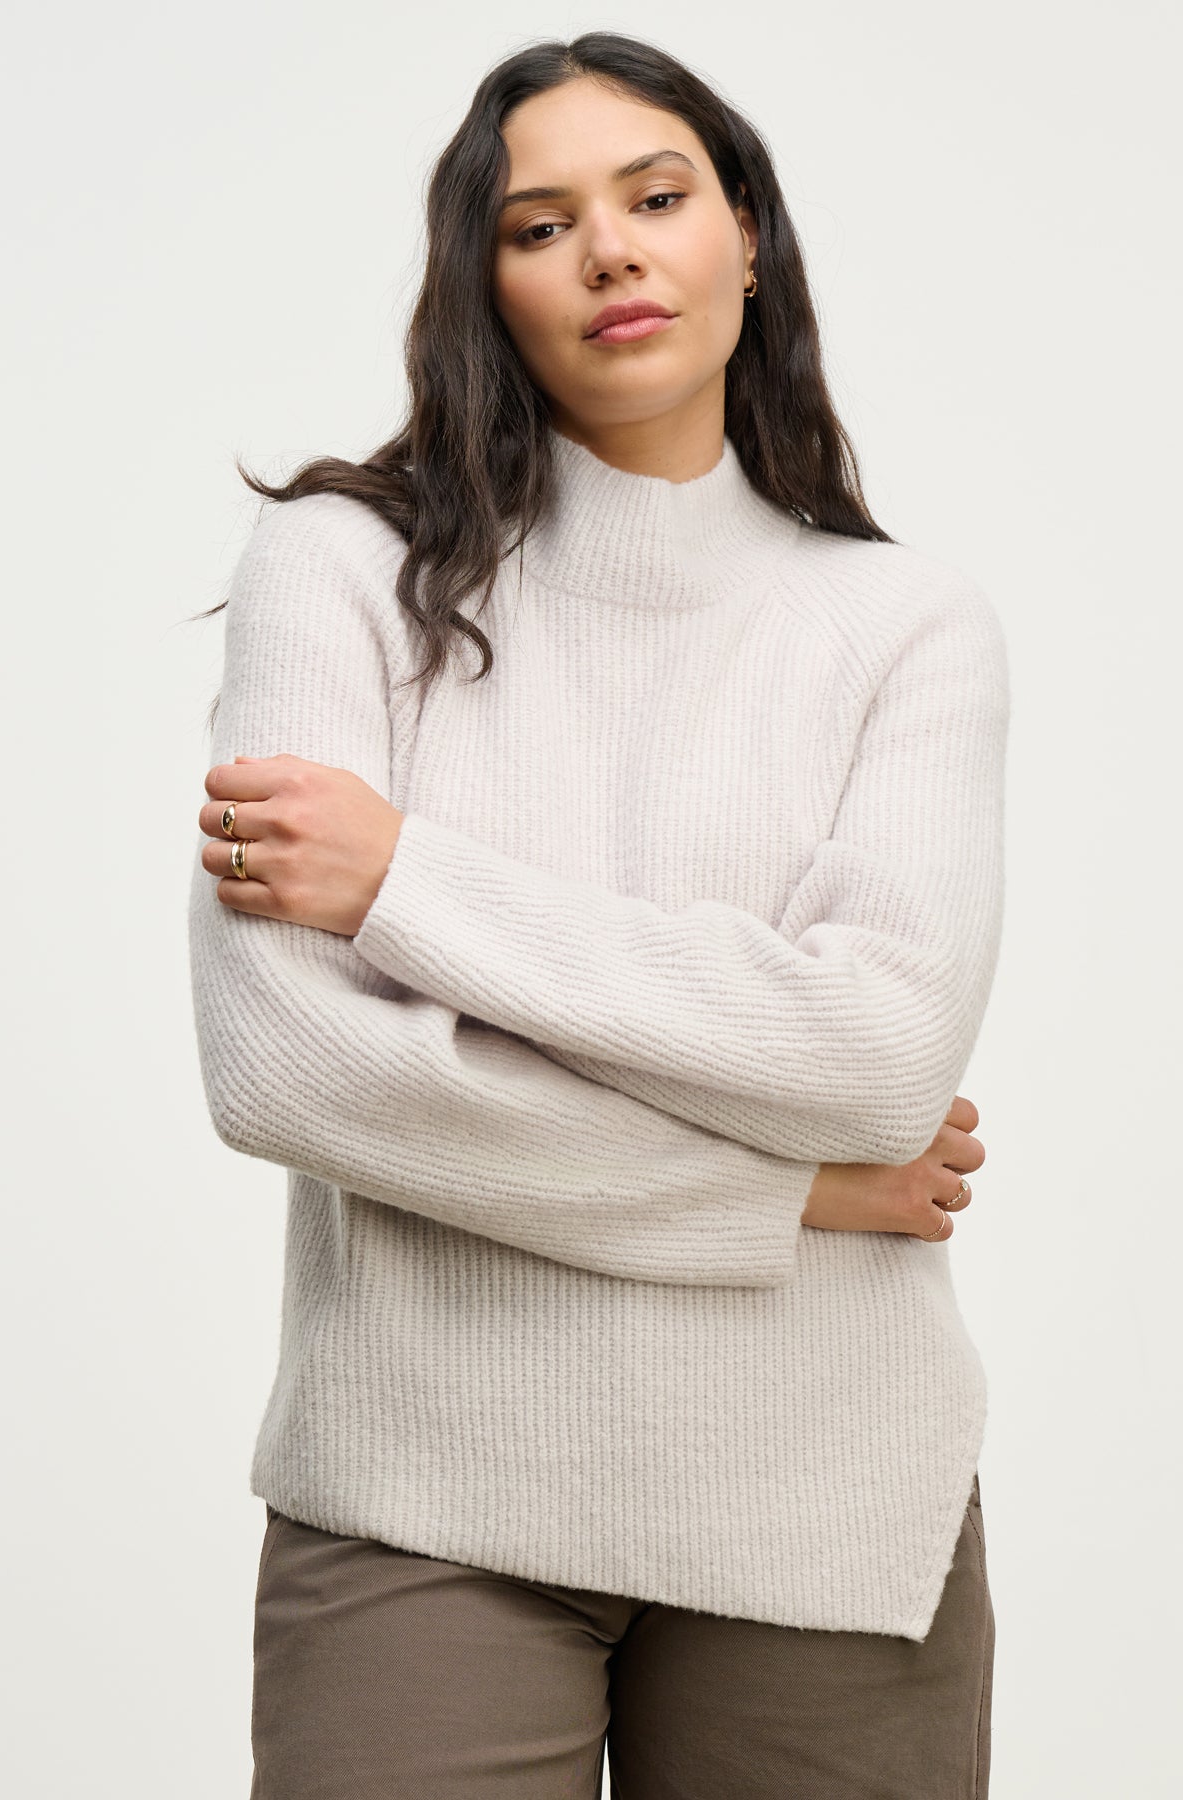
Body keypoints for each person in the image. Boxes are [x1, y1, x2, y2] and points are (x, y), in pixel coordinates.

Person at [188, 31, 1006, 1800]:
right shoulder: (340, 572)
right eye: (539, 222)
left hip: (828, 1500)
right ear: (480, 282)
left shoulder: (907, 626)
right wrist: (781, 1191)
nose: (613, 252)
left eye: (657, 198)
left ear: (748, 238)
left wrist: (411, 880)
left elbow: (874, 1055)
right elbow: (291, 1073)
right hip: (421, 1492)